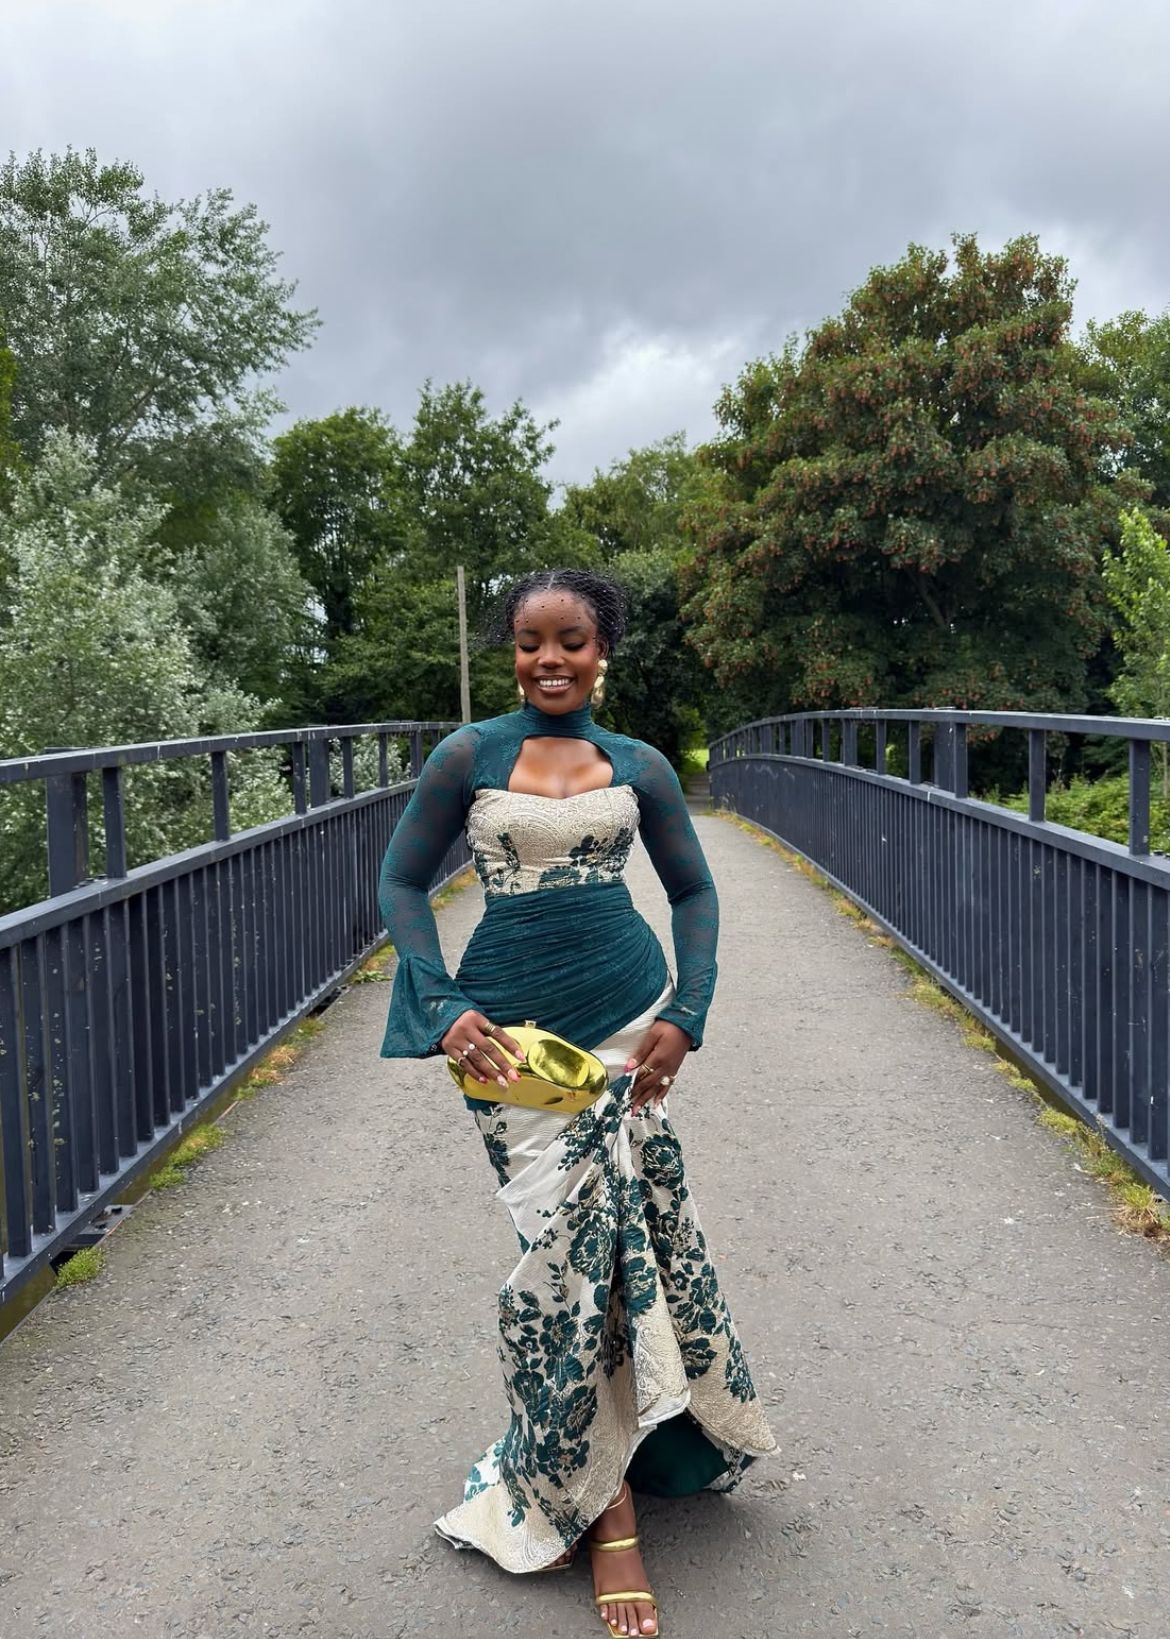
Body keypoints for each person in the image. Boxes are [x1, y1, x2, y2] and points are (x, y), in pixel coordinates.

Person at [378, 568, 775, 1638]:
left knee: (623, 1254)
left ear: (604, 651)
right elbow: (401, 882)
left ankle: (612, 1500)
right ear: (512, 651)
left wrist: (688, 1011)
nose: (549, 660)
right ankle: (593, 1488)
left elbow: (694, 890)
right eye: (529, 642)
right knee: (558, 1269)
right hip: (508, 1048)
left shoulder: (640, 764)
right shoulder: (469, 755)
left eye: (571, 642)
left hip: (624, 1027)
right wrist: (442, 1002)